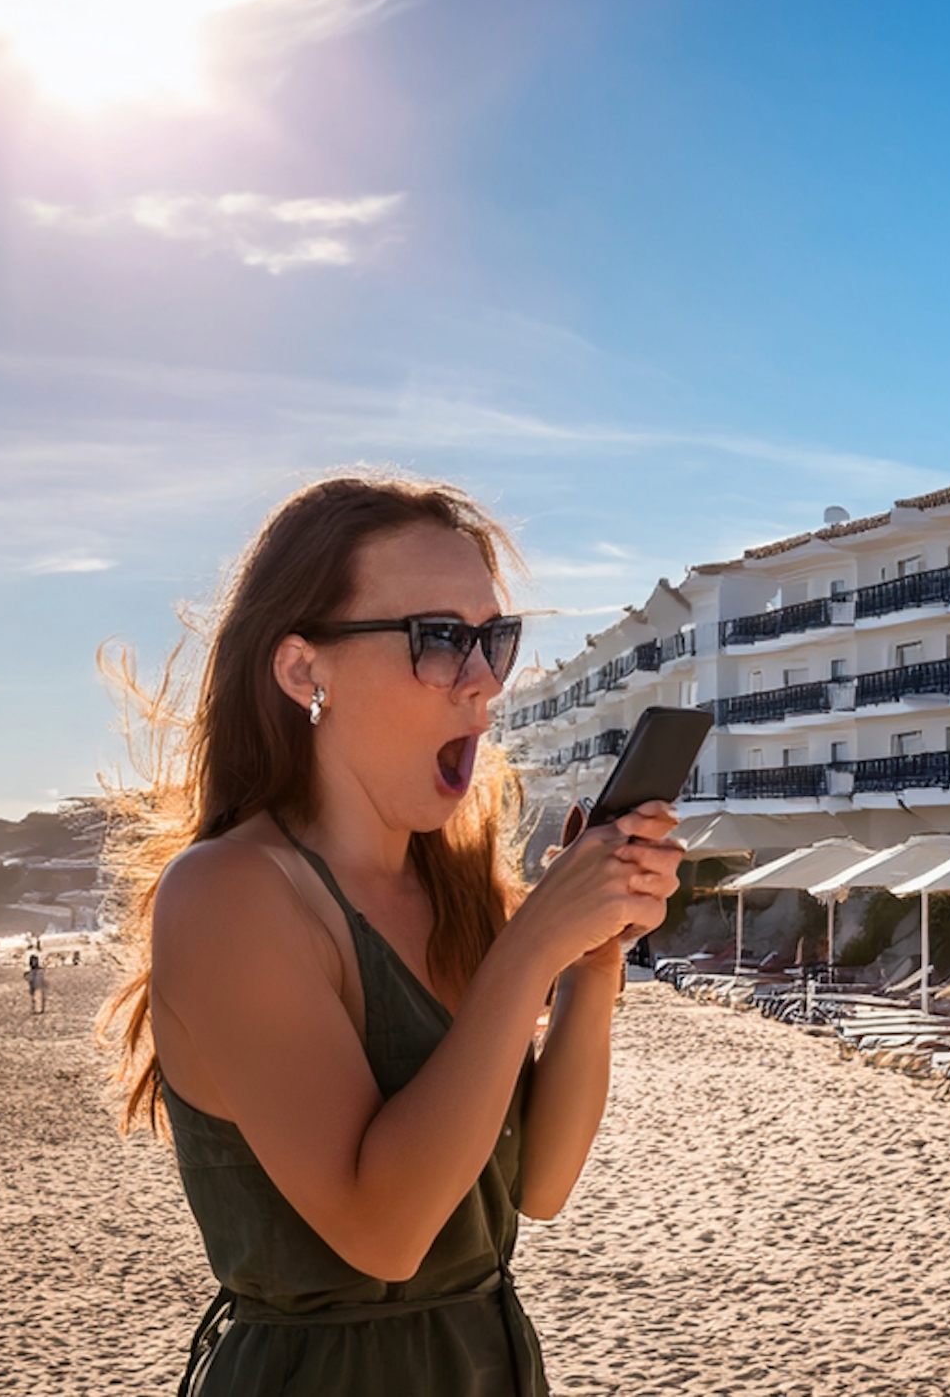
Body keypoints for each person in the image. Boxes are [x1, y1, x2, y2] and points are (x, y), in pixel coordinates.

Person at [100, 475, 681, 1396]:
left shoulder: (451, 888)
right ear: (304, 672)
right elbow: (383, 1231)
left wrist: (589, 965)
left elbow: (539, 1184)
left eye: (493, 638)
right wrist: (531, 948)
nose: (486, 680)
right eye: (440, 639)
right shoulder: (231, 894)